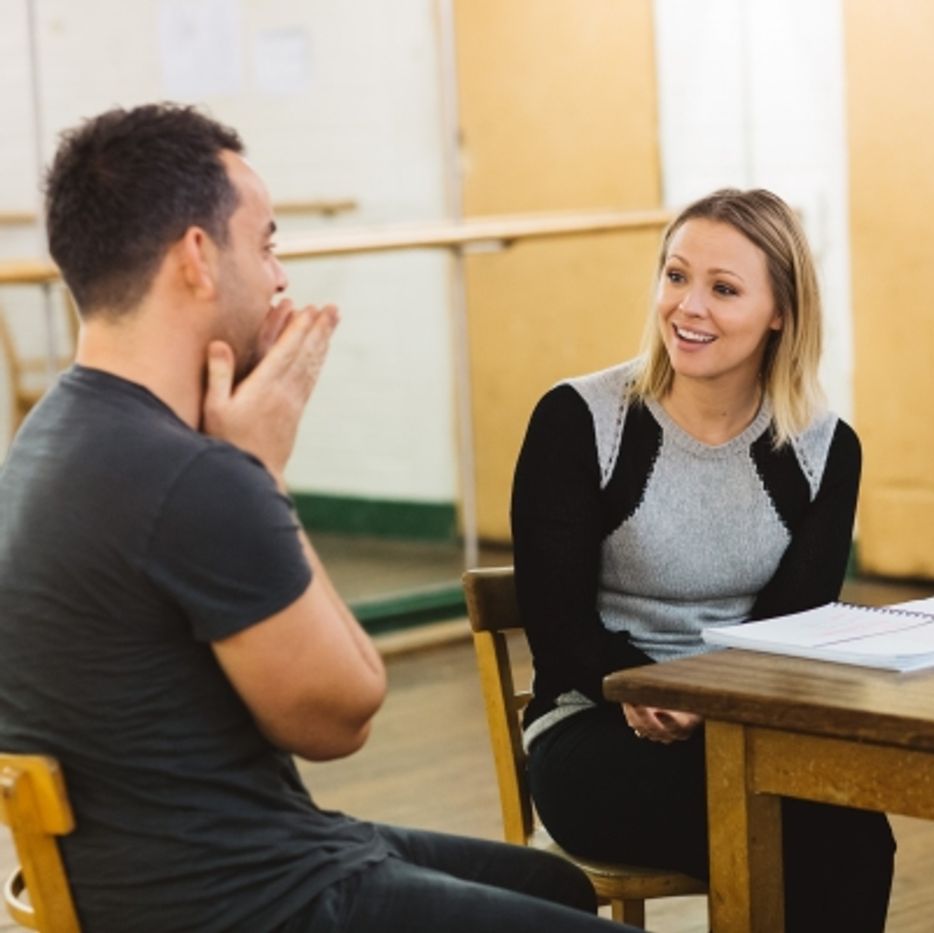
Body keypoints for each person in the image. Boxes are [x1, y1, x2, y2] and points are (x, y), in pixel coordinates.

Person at [0, 103, 626, 932]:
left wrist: (242, 473)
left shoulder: (49, 433)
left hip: (154, 873)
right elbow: (345, 713)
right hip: (243, 900)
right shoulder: (189, 474)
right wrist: (260, 471)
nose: (279, 279)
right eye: (265, 246)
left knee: (558, 887)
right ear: (197, 258)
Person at [512, 188, 897, 932]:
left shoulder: (825, 449)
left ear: (780, 311)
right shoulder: (579, 419)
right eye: (676, 276)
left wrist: (711, 699)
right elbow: (557, 625)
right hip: (594, 726)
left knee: (852, 830)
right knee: (796, 829)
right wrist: (654, 688)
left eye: (723, 289)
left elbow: (792, 624)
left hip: (744, 720)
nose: (688, 307)